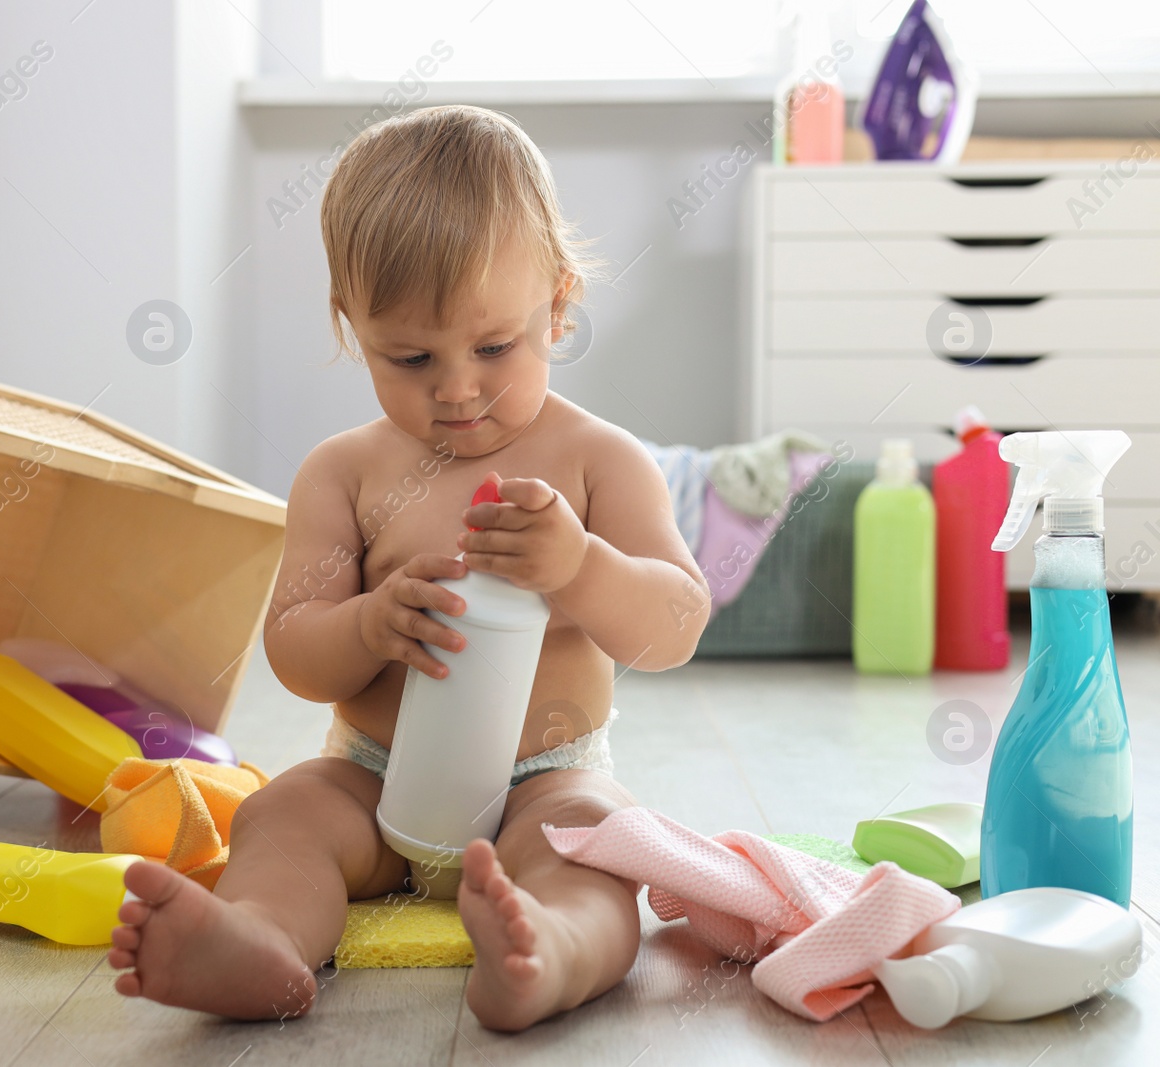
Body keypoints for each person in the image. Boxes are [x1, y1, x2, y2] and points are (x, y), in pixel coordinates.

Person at [109, 104, 711, 1032]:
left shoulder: (600, 461)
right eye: (413, 356)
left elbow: (676, 625)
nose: (457, 387)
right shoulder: (343, 473)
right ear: (353, 326)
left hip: (543, 774)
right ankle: (261, 939)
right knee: (281, 818)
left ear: (557, 303)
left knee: (596, 853)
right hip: (373, 776)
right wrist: (368, 622)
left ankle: (546, 948)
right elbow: (295, 655)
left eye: (495, 348)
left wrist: (581, 567)